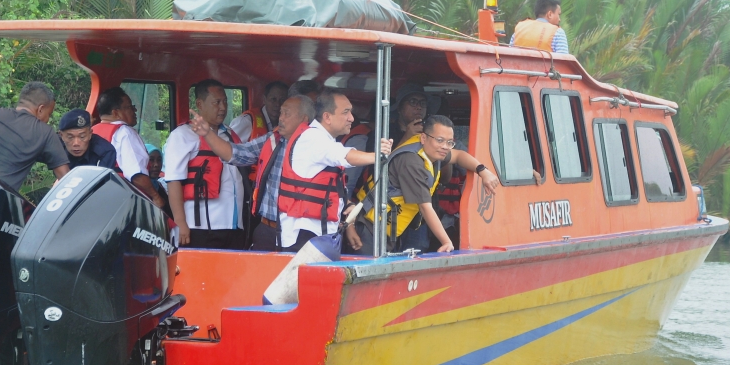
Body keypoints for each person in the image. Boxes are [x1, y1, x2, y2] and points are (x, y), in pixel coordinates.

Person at [348, 115, 499, 254]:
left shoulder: (431, 151)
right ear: (423, 138)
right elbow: (425, 207)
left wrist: (482, 171)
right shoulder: (411, 162)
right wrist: (447, 242)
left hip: (386, 229)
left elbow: (459, 156)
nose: (445, 146)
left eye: (449, 142)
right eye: (439, 140)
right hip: (369, 228)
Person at [189, 95, 314, 251]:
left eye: (286, 113)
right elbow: (236, 153)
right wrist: (207, 133)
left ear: (304, 118)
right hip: (267, 229)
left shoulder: (319, 147)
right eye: (281, 112)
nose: (280, 118)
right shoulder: (272, 140)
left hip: (300, 234)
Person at [278, 89, 392, 252]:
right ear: (327, 117)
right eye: (346, 112)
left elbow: (332, 191)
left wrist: (349, 224)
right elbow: (345, 156)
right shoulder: (313, 138)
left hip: (322, 233)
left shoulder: (324, 141)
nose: (352, 118)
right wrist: (378, 156)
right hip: (304, 235)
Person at [163, 79, 247, 249]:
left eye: (225, 101)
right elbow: (173, 181)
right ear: (200, 104)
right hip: (201, 227)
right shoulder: (182, 135)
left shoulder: (229, 135)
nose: (223, 107)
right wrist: (181, 223)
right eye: (217, 102)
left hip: (233, 224)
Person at [91, 87, 166, 209]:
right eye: (130, 107)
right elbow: (136, 175)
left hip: (99, 198)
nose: (134, 110)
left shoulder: (92, 131)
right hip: (123, 200)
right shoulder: (125, 132)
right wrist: (156, 197)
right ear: (116, 113)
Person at [146, 148, 171, 217]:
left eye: (159, 160)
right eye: (151, 160)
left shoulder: (160, 186)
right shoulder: (137, 188)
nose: (156, 164)